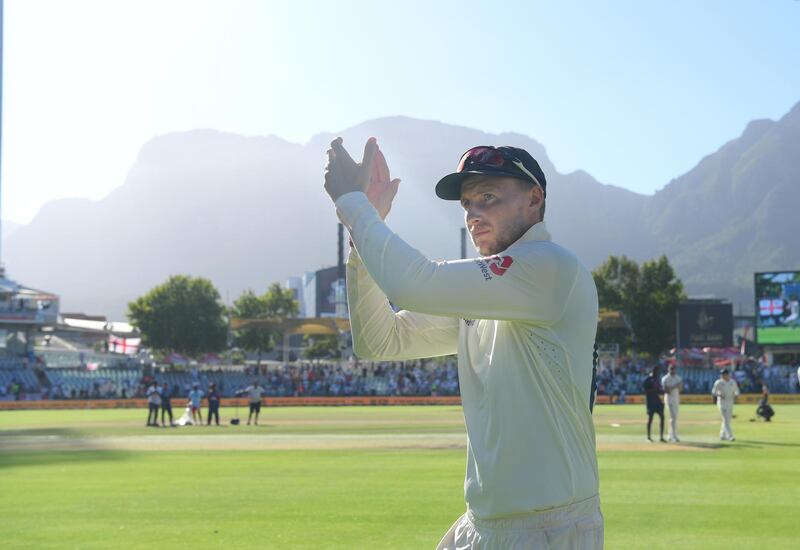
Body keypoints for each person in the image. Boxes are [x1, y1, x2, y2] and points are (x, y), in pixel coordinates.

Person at [324, 139, 603, 548]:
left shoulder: (550, 266)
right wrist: (361, 242)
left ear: (534, 198)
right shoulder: (492, 290)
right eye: (467, 204)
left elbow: (415, 284)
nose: (473, 214)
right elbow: (380, 341)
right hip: (484, 523)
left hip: (547, 530)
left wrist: (355, 205)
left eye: (487, 197)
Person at [712, 369, 740, 441]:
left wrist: (736, 395)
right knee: (725, 419)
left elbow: (736, 391)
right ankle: (730, 436)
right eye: (721, 375)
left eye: (724, 375)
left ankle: (722, 435)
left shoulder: (732, 382)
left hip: (730, 402)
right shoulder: (718, 382)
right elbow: (714, 392)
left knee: (727, 420)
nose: (722, 376)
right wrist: (719, 394)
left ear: (727, 375)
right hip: (721, 402)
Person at [643, 366, 666, 443]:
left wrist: (662, 391)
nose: (658, 373)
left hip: (657, 400)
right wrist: (654, 389)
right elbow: (646, 391)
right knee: (650, 419)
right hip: (650, 401)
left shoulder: (657, 379)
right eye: (657, 371)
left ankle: (661, 437)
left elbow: (659, 390)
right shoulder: (648, 380)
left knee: (662, 417)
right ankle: (648, 437)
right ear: (653, 371)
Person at [661, 364, 683, 442]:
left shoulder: (678, 378)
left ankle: (669, 435)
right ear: (668, 369)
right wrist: (675, 386)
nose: (673, 370)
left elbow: (680, 389)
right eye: (671, 369)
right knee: (673, 417)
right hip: (669, 399)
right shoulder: (665, 378)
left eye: (674, 369)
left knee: (674, 418)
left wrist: (677, 386)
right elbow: (667, 391)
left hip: (676, 399)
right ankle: (674, 436)